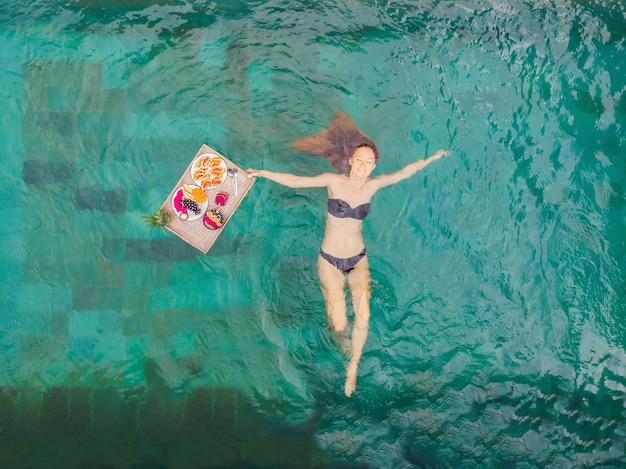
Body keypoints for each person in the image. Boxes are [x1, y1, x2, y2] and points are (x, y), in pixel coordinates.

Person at [247, 111, 450, 397]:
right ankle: (346, 346)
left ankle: (353, 366)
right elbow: (296, 181)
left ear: (373, 165)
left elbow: (405, 172)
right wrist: (262, 172)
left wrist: (433, 157)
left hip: (358, 259)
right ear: (351, 161)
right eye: (361, 160)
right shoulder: (334, 181)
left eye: (370, 162)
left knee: (364, 315)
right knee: (339, 325)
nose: (364, 165)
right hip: (329, 260)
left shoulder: (373, 186)